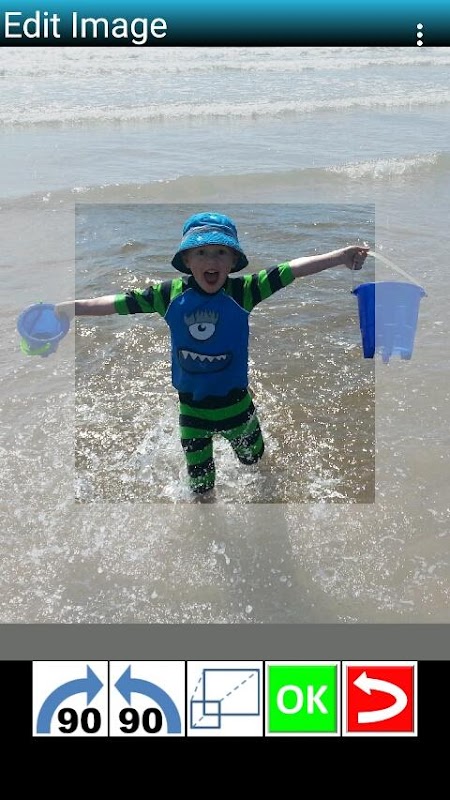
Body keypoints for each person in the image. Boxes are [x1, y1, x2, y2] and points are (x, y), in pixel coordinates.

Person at [56, 211, 369, 495]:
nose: (212, 260)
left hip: (237, 407)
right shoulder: (167, 296)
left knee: (258, 468)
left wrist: (339, 257)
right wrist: (72, 309)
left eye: (221, 252)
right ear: (187, 260)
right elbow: (115, 304)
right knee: (201, 489)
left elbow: (291, 270)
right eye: (201, 252)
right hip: (192, 413)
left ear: (233, 262)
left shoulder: (244, 291)